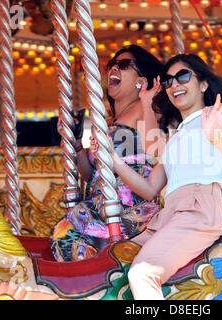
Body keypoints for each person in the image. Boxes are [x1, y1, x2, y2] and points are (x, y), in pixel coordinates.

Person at [110, 53, 222, 299]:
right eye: (169, 81)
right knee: (116, 263)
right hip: (169, 214)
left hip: (198, 209)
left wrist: (213, 134)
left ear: (203, 84)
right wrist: (113, 160)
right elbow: (150, 186)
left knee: (143, 273)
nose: (174, 84)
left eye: (183, 76)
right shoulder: (177, 136)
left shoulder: (212, 117)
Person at [50, 45, 163, 262]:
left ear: (141, 79)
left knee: (66, 234)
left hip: (130, 206)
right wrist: (76, 144)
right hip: (101, 203)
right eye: (111, 65)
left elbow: (153, 149)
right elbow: (91, 175)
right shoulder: (107, 122)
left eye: (123, 65)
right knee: (65, 233)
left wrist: (148, 104)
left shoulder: (145, 108)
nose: (113, 69)